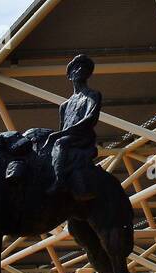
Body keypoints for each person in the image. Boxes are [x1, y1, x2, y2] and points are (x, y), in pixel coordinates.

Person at [44, 54, 100, 200]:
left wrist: (63, 133)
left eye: (85, 67)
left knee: (60, 142)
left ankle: (59, 181)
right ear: (70, 75)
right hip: (68, 137)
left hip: (82, 138)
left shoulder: (92, 95)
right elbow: (62, 127)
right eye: (76, 67)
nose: (80, 69)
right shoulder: (64, 106)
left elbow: (90, 118)